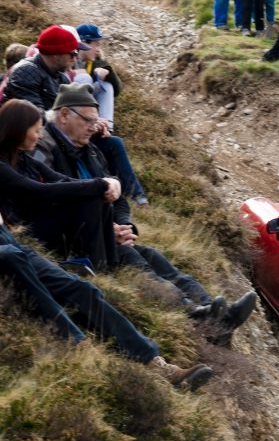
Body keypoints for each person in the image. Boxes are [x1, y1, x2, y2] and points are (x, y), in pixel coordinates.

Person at [33, 85, 258, 341]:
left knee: (154, 256)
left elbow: (118, 199)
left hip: (105, 232)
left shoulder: (91, 150)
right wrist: (108, 229)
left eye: (95, 121)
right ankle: (196, 313)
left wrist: (125, 224)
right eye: (87, 120)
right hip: (76, 239)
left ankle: (217, 313)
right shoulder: (46, 148)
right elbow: (50, 200)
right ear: (64, 115)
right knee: (136, 261)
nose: (93, 127)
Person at [0, 211, 214, 390]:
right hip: (7, 253)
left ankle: (155, 363)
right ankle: (78, 345)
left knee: (81, 288)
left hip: (8, 240)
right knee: (14, 260)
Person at [0, 99, 122, 271]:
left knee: (96, 196)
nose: (40, 135)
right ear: (18, 131)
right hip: (21, 232)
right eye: (36, 130)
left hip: (38, 222)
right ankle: (99, 267)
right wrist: (99, 184)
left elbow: (61, 179)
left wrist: (109, 182)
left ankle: (109, 264)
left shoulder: (23, 159)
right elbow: (38, 191)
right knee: (91, 196)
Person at [74, 23, 148, 206]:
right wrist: (92, 78)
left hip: (91, 123)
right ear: (83, 42)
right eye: (96, 44)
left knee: (106, 86)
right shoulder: (70, 63)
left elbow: (116, 88)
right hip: (73, 126)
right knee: (87, 80)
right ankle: (134, 196)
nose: (99, 48)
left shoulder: (94, 62)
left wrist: (102, 71)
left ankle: (137, 196)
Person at [1, 25, 87, 112]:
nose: (76, 59)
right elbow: (35, 117)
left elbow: (72, 110)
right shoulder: (26, 72)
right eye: (73, 54)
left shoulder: (62, 78)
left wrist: (90, 120)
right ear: (56, 55)